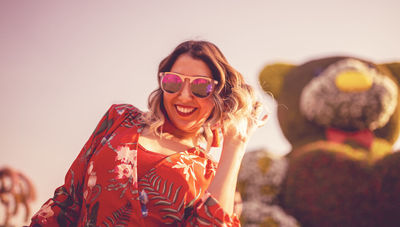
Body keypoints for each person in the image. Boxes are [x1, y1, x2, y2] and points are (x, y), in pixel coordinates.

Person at [29, 40, 268, 226]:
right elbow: (68, 200)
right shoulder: (119, 119)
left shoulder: (210, 174)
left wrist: (236, 145)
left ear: (218, 93)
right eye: (174, 82)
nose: (184, 95)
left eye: (200, 86)